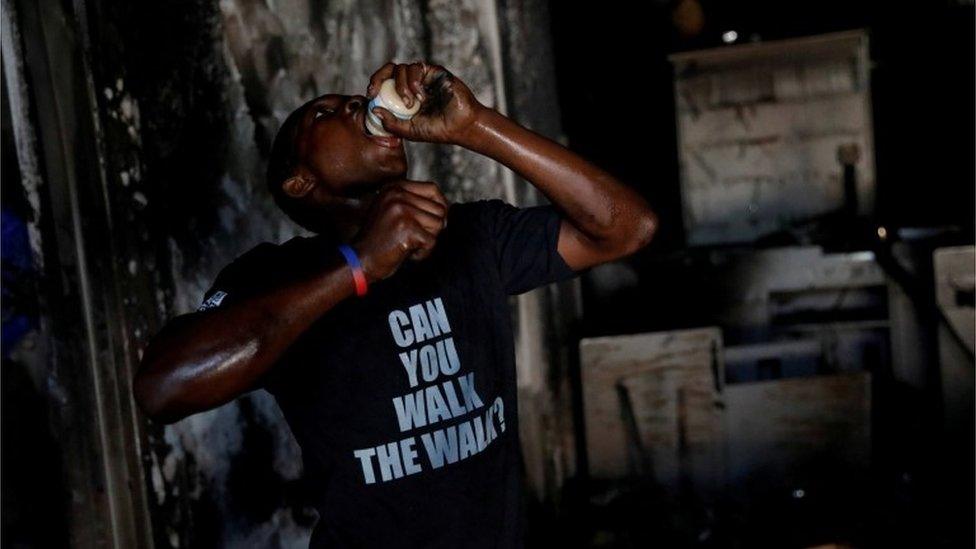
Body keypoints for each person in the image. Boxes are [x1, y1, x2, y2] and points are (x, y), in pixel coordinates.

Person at [134, 61, 657, 548]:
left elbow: (627, 227)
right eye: (324, 112)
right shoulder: (277, 277)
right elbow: (163, 388)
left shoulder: (473, 236)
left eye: (350, 99)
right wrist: (359, 264)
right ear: (300, 181)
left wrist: (473, 126)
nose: (352, 106)